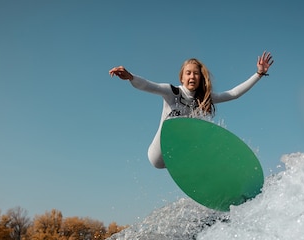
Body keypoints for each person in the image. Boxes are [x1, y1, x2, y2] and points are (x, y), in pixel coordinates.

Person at [109, 51, 274, 169]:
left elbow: (234, 94)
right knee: (178, 125)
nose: (192, 76)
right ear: (182, 77)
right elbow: (148, 85)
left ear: (201, 78)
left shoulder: (204, 99)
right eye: (188, 73)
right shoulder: (171, 92)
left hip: (181, 156)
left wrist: (258, 74)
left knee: (206, 136)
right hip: (158, 155)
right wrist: (131, 77)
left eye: (196, 73)